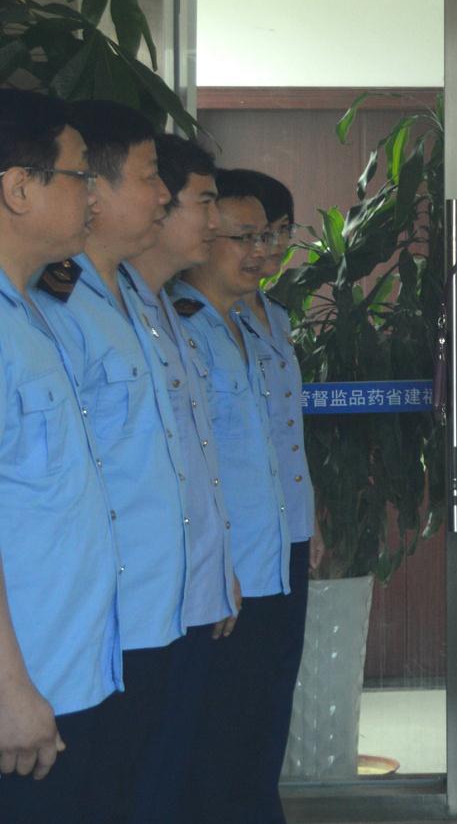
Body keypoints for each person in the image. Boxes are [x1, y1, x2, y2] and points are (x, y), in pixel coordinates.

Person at [34, 100, 184, 824]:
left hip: (153, 609)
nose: (164, 195)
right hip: (94, 621)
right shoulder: (54, 303)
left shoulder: (136, 298)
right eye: (150, 176)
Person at [0, 88, 123, 822]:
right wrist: (8, 686)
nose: (93, 196)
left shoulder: (29, 314)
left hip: (68, 675)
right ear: (19, 189)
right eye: (79, 175)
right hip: (23, 695)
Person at [126, 134, 240, 823]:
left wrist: (216, 571)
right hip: (135, 605)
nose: (215, 222)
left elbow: (195, 465)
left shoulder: (162, 307)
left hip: (186, 593)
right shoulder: (80, 306)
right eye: (205, 203)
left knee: (170, 772)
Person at [175, 191, 296, 823]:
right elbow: (195, 465)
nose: (259, 252)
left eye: (266, 237)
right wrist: (217, 562)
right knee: (218, 739)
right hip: (226, 573)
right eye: (242, 238)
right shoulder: (182, 326)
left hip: (268, 558)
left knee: (260, 728)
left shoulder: (246, 323)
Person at [223, 170, 317, 775]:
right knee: (238, 694)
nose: (268, 247)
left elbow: (287, 432)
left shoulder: (275, 315)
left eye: (279, 232)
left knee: (277, 683)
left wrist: (309, 519)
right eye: (255, 234)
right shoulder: (199, 318)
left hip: (289, 528)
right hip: (239, 540)